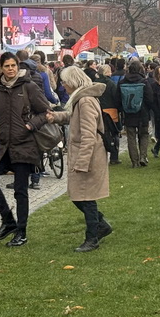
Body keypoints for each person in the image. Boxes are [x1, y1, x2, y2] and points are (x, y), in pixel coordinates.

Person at [0, 52, 50, 247]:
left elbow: (45, 112)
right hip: (3, 143)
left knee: (21, 190)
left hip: (24, 144)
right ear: (1, 68)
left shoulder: (29, 87)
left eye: (13, 65)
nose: (11, 69)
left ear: (18, 66)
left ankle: (21, 230)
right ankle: (8, 220)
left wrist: (30, 126)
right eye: (7, 66)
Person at [46, 66, 113, 252]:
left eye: (65, 81)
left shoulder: (85, 101)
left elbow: (88, 135)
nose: (63, 85)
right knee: (79, 195)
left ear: (73, 82)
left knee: (85, 197)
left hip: (89, 155)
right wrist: (56, 117)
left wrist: (82, 162)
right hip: (86, 154)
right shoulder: (82, 99)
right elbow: (74, 117)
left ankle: (92, 237)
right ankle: (100, 226)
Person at [119, 60, 155, 168]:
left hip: (129, 113)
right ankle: (143, 157)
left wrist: (123, 109)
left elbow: (118, 98)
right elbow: (149, 98)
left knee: (131, 137)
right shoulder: (144, 81)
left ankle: (134, 161)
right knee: (144, 135)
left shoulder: (122, 82)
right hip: (143, 112)